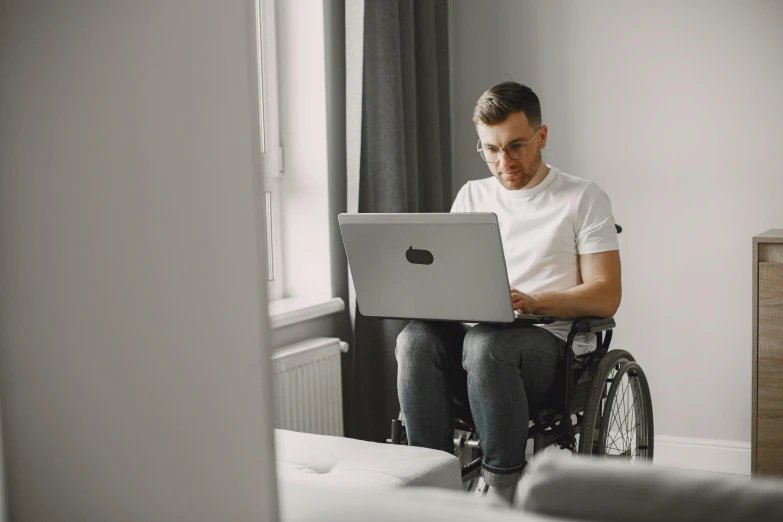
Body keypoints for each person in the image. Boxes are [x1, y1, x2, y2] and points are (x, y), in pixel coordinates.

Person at [395, 81, 622, 503]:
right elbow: (448, 279)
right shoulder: (472, 194)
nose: (504, 162)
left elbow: (606, 294)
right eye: (491, 149)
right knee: (414, 338)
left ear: (543, 136)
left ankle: (502, 489)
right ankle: (430, 481)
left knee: (486, 343)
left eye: (516, 146)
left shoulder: (582, 198)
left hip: (551, 348)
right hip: (476, 346)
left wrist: (536, 302)